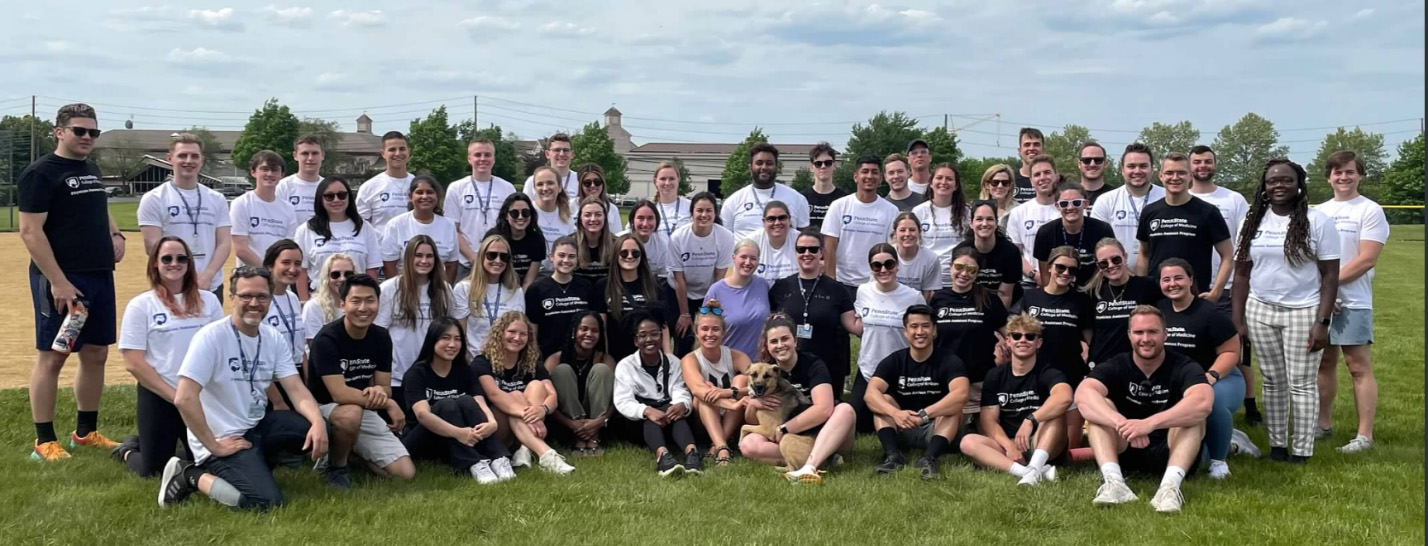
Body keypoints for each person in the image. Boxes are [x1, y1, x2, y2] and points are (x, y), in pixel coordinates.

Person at [160, 267, 329, 510]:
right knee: (266, 502)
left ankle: (256, 465)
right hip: (221, 438)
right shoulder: (211, 337)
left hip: (254, 426)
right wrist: (213, 445)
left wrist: (318, 422)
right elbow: (184, 398)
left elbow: (296, 389)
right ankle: (190, 474)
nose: (254, 303)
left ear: (270, 299)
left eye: (261, 296)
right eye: (246, 296)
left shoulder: (271, 337)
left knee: (314, 429)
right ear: (232, 299)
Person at [21, 103, 126, 460]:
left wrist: (116, 234)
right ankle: (43, 441)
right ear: (59, 132)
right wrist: (59, 281)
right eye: (79, 131)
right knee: (53, 356)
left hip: (99, 275)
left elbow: (101, 207)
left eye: (92, 132)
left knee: (96, 353)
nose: (86, 138)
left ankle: (85, 432)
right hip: (65, 281)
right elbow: (30, 232)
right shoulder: (41, 173)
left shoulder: (91, 168)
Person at [1233, 158, 1340, 463]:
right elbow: (1241, 274)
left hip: (1304, 311)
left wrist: (1322, 321)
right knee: (1273, 381)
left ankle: (1302, 450)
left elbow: (1330, 275)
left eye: (1286, 180)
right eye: (1272, 181)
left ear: (1299, 183)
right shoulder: (1252, 221)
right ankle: (1278, 447)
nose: (1279, 185)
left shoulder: (1318, 221)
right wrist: (1238, 320)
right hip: (1260, 310)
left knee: (1301, 383)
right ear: (1264, 186)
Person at [1077, 306, 1212, 513]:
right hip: (1125, 447)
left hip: (1171, 450)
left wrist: (1148, 424)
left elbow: (1203, 402)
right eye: (1139, 332)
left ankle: (1169, 489)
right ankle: (1114, 483)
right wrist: (1121, 423)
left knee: (1193, 417)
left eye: (1153, 332)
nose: (1145, 338)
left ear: (1165, 334)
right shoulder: (1117, 364)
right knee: (1100, 412)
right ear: (1129, 335)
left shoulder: (1184, 365)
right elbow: (1083, 395)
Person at [114, 237, 224, 476]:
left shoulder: (209, 300)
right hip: (160, 395)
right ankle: (127, 451)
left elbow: (221, 347)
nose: (174, 263)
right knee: (154, 470)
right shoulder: (141, 305)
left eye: (181, 258)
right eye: (167, 258)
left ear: (189, 263)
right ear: (155, 264)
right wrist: (175, 396)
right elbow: (133, 363)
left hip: (200, 395)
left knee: (208, 462)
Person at [307, 273, 414, 486]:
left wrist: (382, 394)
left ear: (378, 303)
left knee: (405, 473)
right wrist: (388, 402)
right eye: (356, 301)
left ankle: (350, 451)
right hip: (324, 407)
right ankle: (336, 467)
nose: (363, 308)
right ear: (343, 304)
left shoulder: (381, 337)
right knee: (350, 414)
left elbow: (384, 386)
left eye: (370, 300)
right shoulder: (327, 339)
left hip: (362, 405)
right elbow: (340, 394)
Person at [1314, 150, 1389, 453]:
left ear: (1359, 175)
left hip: (1354, 301)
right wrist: (1321, 294)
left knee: (1358, 366)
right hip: (1322, 301)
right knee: (1324, 364)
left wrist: (1329, 288)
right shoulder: (1318, 211)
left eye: (1349, 172)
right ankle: (1322, 425)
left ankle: (1364, 436)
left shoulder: (1369, 210)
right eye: (1337, 172)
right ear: (1328, 176)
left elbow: (1366, 259)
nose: (1343, 177)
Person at [1157, 259, 1249, 479]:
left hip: (1222, 378)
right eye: (1166, 279)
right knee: (1195, 458)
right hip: (1181, 381)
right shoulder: (1159, 310)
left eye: (1178, 278)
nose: (1173, 284)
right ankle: (1233, 443)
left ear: (1191, 280)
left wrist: (1212, 376)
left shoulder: (1210, 313)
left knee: (1210, 401)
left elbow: (1231, 352)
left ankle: (1220, 462)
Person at [1187, 145, 1259, 425]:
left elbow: (1245, 242)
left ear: (1215, 164)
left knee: (1238, 346)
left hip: (1227, 287)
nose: (1202, 166)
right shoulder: (1181, 196)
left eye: (1207, 161)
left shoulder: (1233, 199)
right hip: (1191, 287)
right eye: (1197, 162)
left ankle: (1251, 405)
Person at [740, 316, 857, 485]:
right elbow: (760, 422)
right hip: (794, 439)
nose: (780, 345)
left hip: (826, 432)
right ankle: (822, 459)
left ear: (795, 341)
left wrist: (785, 428)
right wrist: (753, 404)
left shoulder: (813, 365)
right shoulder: (767, 373)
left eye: (785, 339)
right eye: (774, 341)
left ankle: (811, 465)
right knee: (749, 444)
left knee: (845, 409)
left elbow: (823, 409)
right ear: (767, 346)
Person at [961, 313, 1070, 485]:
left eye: (1030, 336)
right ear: (1008, 341)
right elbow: (989, 421)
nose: (1023, 340)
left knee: (1055, 414)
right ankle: (1026, 473)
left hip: (1041, 441)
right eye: (1017, 336)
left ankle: (1035, 466)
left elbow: (1064, 397)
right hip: (1008, 443)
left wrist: (1030, 420)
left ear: (1038, 343)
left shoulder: (1048, 371)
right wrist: (1009, 446)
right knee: (968, 442)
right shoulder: (995, 375)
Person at [401, 318, 515, 483]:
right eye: (445, 338)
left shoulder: (465, 371)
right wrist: (459, 433)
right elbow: (422, 416)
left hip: (459, 438)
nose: (452, 344)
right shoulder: (416, 373)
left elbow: (480, 403)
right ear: (432, 340)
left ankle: (498, 458)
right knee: (447, 404)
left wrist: (492, 423)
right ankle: (475, 463)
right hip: (424, 437)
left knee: (467, 401)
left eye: (457, 339)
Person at [864, 305, 969, 479]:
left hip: (935, 427)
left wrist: (923, 415)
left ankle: (929, 458)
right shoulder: (894, 360)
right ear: (905, 331)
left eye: (925, 326)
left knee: (954, 408)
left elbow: (961, 394)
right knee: (882, 400)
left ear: (934, 330)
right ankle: (893, 456)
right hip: (901, 425)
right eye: (914, 326)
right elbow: (870, 394)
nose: (920, 331)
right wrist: (895, 413)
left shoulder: (950, 360)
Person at [472, 311, 576, 474]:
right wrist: (528, 415)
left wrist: (542, 410)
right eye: (512, 332)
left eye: (523, 334)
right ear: (500, 333)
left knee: (536, 385)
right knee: (515, 395)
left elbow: (552, 396)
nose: (517, 338)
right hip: (497, 431)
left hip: (526, 427)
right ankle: (546, 454)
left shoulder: (532, 363)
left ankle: (525, 449)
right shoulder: (482, 362)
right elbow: (494, 395)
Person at [1012, 246, 1094, 447]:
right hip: (1037, 376)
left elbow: (1091, 339)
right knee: (1032, 438)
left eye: (1072, 270)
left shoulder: (1081, 300)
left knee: (1069, 445)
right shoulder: (1031, 297)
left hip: (1071, 374)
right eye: (1060, 267)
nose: (1066, 273)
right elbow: (1016, 333)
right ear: (1049, 267)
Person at [138, 133, 232, 298]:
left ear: (201, 160)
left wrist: (207, 276)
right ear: (170, 158)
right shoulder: (154, 199)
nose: (189, 161)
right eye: (182, 155)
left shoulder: (217, 199)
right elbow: (152, 246)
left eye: (194, 156)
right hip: (172, 286)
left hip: (209, 286)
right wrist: (181, 279)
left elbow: (224, 243)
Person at [768, 229, 859, 397]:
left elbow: (853, 325)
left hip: (828, 365)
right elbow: (768, 326)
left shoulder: (837, 290)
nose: (807, 254)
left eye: (813, 249)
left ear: (822, 253)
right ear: (795, 253)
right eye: (801, 249)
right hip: (789, 366)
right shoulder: (781, 288)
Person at [614, 311, 703, 476]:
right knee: (650, 418)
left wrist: (681, 405)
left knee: (677, 413)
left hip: (670, 417)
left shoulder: (674, 362)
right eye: (643, 335)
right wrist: (646, 411)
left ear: (662, 337)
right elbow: (623, 401)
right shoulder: (625, 366)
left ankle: (692, 455)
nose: (649, 340)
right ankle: (663, 457)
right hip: (639, 424)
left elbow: (680, 389)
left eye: (654, 334)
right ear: (636, 340)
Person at [1135, 153, 1234, 301]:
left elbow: (1228, 256)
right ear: (1161, 176)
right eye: (1169, 173)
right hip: (1156, 297)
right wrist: (1141, 288)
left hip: (1195, 297)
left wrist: (1216, 291)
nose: (1175, 178)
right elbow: (1144, 254)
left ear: (1190, 176)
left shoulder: (1208, 212)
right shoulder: (1150, 211)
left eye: (1181, 172)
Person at [850, 243, 926, 432]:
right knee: (859, 425)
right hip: (869, 369)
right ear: (871, 268)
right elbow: (859, 326)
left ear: (897, 265)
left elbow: (923, 333)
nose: (883, 270)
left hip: (899, 371)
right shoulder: (863, 291)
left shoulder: (913, 296)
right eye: (877, 265)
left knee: (905, 424)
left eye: (889, 264)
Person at [376, 236, 456, 415]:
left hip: (432, 376)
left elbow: (451, 331)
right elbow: (379, 334)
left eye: (429, 256)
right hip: (397, 377)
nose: (424, 261)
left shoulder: (444, 290)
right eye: (418, 255)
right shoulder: (389, 289)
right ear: (408, 258)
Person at [927, 247, 1010, 412]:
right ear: (950, 266)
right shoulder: (937, 299)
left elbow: (1010, 334)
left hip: (980, 381)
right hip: (945, 380)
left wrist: (1007, 355)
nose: (964, 274)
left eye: (971, 270)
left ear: (978, 273)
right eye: (959, 267)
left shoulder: (989, 299)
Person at [679, 301, 751, 466]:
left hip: (732, 419)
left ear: (723, 332)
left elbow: (757, 386)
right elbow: (698, 390)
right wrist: (732, 403)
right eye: (704, 329)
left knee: (741, 379)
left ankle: (718, 446)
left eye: (715, 329)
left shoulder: (737, 356)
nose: (709, 334)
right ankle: (722, 446)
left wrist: (728, 393)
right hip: (703, 420)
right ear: (696, 332)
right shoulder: (690, 359)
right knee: (703, 396)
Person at [822, 155, 900, 297]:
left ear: (881, 178)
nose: (869, 176)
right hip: (842, 283)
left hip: (875, 283)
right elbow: (829, 246)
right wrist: (830, 281)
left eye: (874, 172)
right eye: (865, 171)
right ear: (856, 177)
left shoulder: (891, 210)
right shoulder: (839, 206)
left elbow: (892, 248)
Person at [544, 312, 616, 456]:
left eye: (595, 331)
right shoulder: (555, 359)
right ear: (574, 331)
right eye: (584, 329)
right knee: (562, 370)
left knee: (601, 370)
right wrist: (572, 424)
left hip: (598, 424)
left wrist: (600, 421)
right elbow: (545, 399)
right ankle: (579, 437)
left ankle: (593, 437)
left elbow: (617, 400)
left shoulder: (606, 359)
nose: (589, 334)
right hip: (565, 424)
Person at [670, 193, 735, 354]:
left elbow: (719, 277)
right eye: (699, 210)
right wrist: (685, 314)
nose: (704, 215)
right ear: (692, 213)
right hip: (680, 292)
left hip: (709, 292)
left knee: (709, 334)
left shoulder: (726, 237)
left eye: (709, 211)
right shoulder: (678, 237)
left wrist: (707, 311)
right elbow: (679, 279)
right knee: (684, 337)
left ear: (715, 213)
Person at [1085, 238, 1163, 369]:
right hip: (1102, 365)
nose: (1110, 265)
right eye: (1104, 263)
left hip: (1137, 364)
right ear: (1098, 266)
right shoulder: (1093, 293)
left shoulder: (1148, 286)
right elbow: (1090, 332)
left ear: (1125, 257)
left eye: (1115, 259)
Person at [446, 138, 517, 280]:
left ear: (494, 159)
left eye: (487, 155)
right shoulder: (456, 188)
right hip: (466, 264)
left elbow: (513, 227)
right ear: (469, 158)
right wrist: (473, 258)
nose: (482, 159)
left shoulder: (507, 188)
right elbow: (452, 229)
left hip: (498, 262)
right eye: (478, 155)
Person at [293, 177, 381, 290]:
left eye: (342, 195)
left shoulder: (365, 227)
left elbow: (371, 269)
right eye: (329, 196)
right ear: (320, 199)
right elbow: (302, 271)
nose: (336, 200)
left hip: (356, 298)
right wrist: (304, 302)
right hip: (319, 298)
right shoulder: (305, 230)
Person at [525, 236, 606, 359]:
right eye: (561, 255)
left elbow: (597, 325)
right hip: (548, 356)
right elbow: (533, 330)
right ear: (551, 257)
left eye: (572, 256)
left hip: (581, 357)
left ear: (578, 259)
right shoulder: (536, 290)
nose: (566, 260)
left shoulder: (587, 287)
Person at [1091, 143, 1166, 273]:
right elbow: (1098, 244)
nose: (1137, 171)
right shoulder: (1106, 200)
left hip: (1162, 277)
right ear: (1122, 169)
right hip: (1118, 276)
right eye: (1131, 166)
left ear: (1152, 168)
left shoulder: (1166, 197)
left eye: (1143, 166)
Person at [623, 199, 684, 342]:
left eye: (650, 218)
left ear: (657, 222)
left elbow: (662, 278)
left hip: (648, 288)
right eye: (640, 218)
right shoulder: (620, 240)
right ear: (632, 220)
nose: (645, 223)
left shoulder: (662, 243)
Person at [721, 143, 811, 240]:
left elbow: (805, 241)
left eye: (769, 163)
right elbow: (725, 241)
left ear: (777, 167)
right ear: (750, 168)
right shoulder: (732, 202)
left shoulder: (797, 199)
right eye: (759, 163)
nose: (764, 167)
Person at [1033, 182, 1116, 287]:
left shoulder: (1102, 229)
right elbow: (1045, 275)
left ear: (1085, 204)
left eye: (1076, 202)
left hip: (1095, 290)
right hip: (1060, 292)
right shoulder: (1045, 233)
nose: (1070, 207)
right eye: (1064, 203)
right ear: (1057, 206)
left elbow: (1110, 265)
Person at [453, 234, 526, 353]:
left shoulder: (516, 291)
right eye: (492, 255)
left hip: (505, 359)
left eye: (504, 257)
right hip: (474, 359)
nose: (498, 261)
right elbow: (459, 333)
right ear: (481, 257)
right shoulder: (463, 289)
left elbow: (518, 331)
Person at [599, 233, 666, 360]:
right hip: (616, 355)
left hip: (649, 355)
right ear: (616, 256)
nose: (630, 257)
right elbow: (602, 328)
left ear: (642, 256)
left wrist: (667, 354)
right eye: (624, 253)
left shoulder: (654, 284)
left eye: (635, 253)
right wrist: (605, 357)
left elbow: (663, 324)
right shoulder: (603, 286)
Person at [382, 174, 460, 281]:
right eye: (419, 192)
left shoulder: (448, 225)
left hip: (436, 290)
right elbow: (389, 265)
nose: (425, 196)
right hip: (404, 290)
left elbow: (451, 265)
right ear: (410, 197)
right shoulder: (395, 225)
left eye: (430, 192)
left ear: (437, 196)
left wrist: (444, 291)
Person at [703, 240, 772, 358]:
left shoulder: (763, 285)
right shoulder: (716, 291)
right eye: (743, 257)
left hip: (760, 367)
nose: (748, 262)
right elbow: (705, 331)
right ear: (734, 258)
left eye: (753, 258)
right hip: (729, 363)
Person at [230, 151, 297, 271]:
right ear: (253, 172)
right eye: (264, 169)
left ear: (282, 174)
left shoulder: (288, 209)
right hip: (249, 278)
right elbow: (241, 249)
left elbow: (288, 248)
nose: (270, 174)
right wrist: (267, 271)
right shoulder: (241, 204)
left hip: (278, 278)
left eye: (275, 170)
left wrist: (277, 273)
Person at [1006, 154, 1063, 288]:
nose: (1042, 178)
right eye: (1037, 174)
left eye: (1047, 172)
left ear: (1057, 176)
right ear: (1031, 181)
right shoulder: (1018, 212)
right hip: (1030, 283)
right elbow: (1015, 253)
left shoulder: (1069, 209)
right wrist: (1035, 275)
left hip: (1065, 280)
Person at [953, 200, 1019, 308]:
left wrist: (998, 323)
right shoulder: (961, 251)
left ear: (996, 223)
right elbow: (960, 289)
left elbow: (1005, 295)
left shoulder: (1011, 252)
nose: (984, 224)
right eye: (979, 219)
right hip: (970, 302)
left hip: (1005, 304)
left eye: (989, 219)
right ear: (971, 223)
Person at [911, 162, 969, 286]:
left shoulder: (967, 212)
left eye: (949, 179)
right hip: (926, 279)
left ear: (956, 185)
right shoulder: (919, 211)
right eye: (939, 178)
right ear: (931, 183)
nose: (944, 182)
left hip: (957, 281)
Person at [262, 240, 307, 393]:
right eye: (286, 262)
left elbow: (301, 347)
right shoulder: (259, 300)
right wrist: (278, 401)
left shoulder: (293, 298)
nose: (292, 269)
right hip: (270, 381)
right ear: (270, 266)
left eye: (297, 263)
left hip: (295, 376)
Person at [356, 131, 414, 236]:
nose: (398, 153)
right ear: (383, 154)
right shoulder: (369, 187)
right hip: (381, 251)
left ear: (408, 152)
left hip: (413, 251)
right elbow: (361, 226)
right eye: (392, 150)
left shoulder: (418, 186)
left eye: (402, 149)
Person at [485, 192, 547, 290]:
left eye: (525, 212)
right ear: (506, 216)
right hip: (494, 286)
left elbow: (528, 281)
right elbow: (486, 271)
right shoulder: (493, 237)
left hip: (521, 289)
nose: (520, 217)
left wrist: (520, 301)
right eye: (514, 213)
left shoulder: (537, 239)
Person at [301, 253, 353, 345]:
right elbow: (314, 346)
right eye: (335, 274)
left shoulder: (359, 306)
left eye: (348, 274)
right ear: (326, 277)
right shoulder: (313, 307)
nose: (342, 279)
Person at [531, 166, 576, 269]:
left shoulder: (567, 217)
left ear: (560, 187)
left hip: (557, 275)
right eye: (540, 184)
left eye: (550, 183)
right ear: (534, 188)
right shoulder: (527, 212)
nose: (545, 188)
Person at [275, 135, 325, 227]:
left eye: (315, 153)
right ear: (295, 156)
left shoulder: (329, 187)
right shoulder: (284, 186)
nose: (310, 158)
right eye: (305, 153)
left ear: (322, 155)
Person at [891, 212, 943, 299]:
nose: (907, 234)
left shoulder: (931, 258)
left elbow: (928, 293)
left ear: (919, 232)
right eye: (902, 230)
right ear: (895, 233)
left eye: (912, 230)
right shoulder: (886, 255)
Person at [800, 143, 846, 231]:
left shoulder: (844, 200)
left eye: (828, 163)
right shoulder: (801, 199)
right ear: (812, 168)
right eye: (818, 164)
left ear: (835, 165)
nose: (823, 166)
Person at [748, 201, 797, 283]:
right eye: (771, 219)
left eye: (782, 218)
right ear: (764, 222)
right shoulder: (751, 242)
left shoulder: (800, 240)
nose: (777, 223)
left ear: (789, 219)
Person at [522, 133, 579, 201]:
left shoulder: (581, 180)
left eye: (566, 150)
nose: (561, 154)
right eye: (557, 150)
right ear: (547, 154)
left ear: (572, 154)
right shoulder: (533, 181)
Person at [573, 197, 615, 282]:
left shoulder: (616, 244)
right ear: (580, 218)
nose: (593, 219)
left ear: (605, 217)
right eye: (587, 215)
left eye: (598, 214)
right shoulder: (571, 243)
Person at [573, 163, 622, 231]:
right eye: (587, 182)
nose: (592, 185)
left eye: (597, 182)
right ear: (580, 185)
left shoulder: (612, 209)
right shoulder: (569, 207)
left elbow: (617, 236)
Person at [649, 161, 693, 235]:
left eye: (672, 179)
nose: (667, 183)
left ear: (678, 180)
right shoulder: (648, 208)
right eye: (663, 179)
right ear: (655, 181)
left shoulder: (691, 207)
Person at [1075, 141, 1115, 211]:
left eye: (1098, 160)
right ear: (1079, 164)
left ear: (1105, 164)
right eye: (1087, 160)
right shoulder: (1068, 195)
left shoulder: (1116, 195)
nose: (1092, 164)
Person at [978, 164, 1017, 230]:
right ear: (987, 185)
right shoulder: (976, 209)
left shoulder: (1018, 210)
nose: (1000, 186)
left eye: (1005, 183)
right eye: (995, 182)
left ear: (1010, 186)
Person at [1012, 128, 1043, 202]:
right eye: (1027, 144)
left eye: (1036, 144)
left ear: (1043, 149)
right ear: (1019, 151)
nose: (1032, 148)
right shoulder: (1009, 180)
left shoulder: (1053, 181)